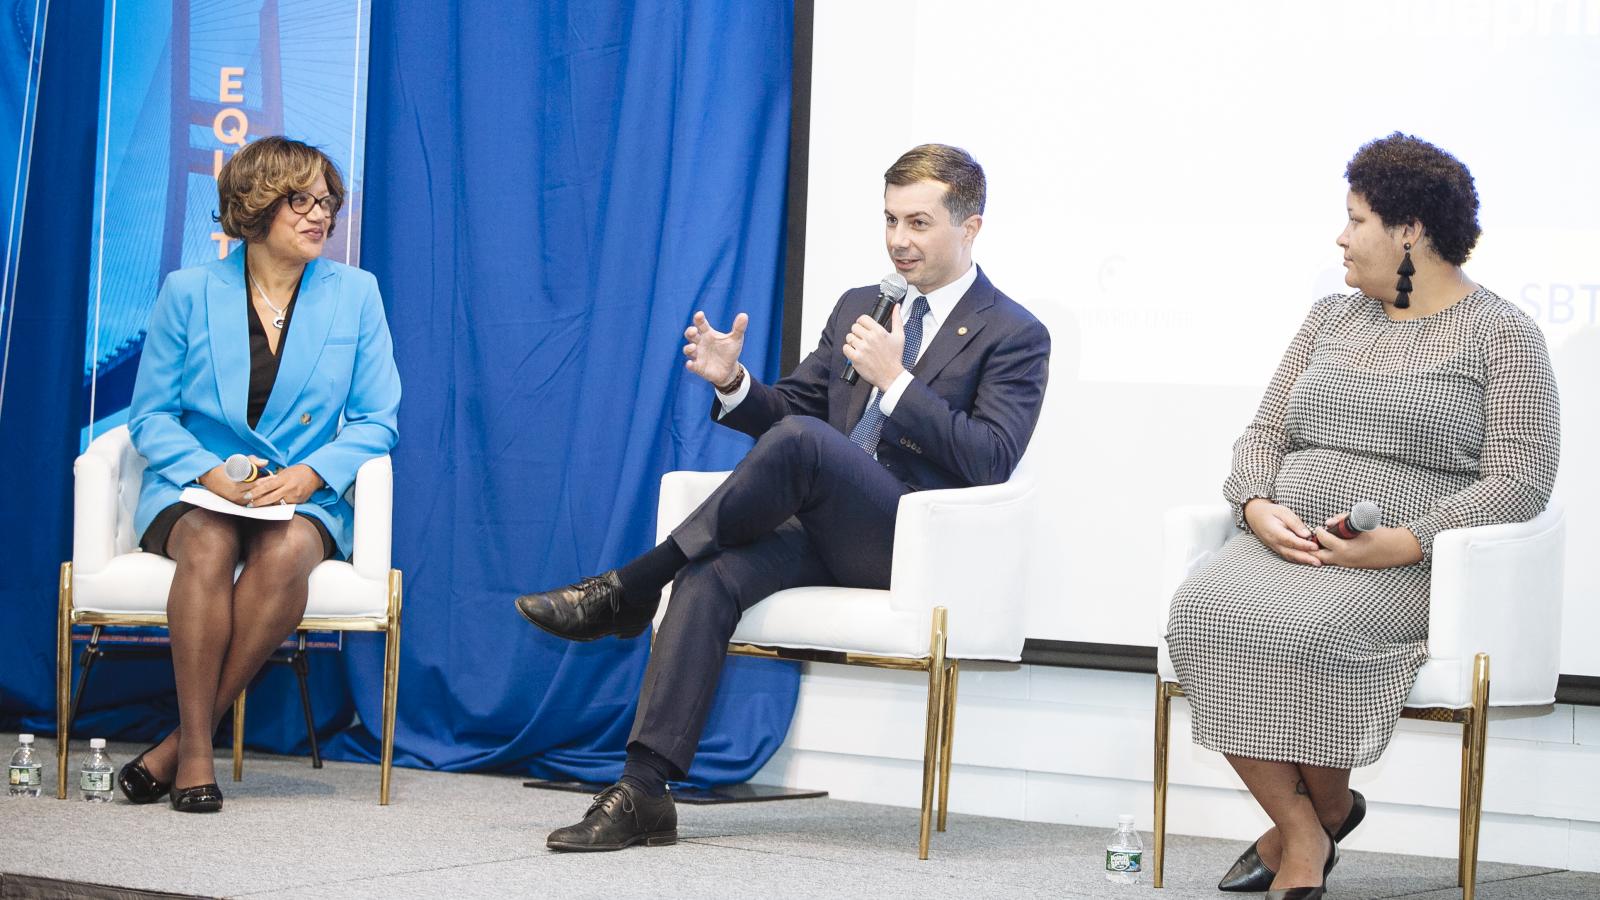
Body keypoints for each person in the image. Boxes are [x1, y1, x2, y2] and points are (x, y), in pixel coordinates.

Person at [515, 144, 1050, 851]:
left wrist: (896, 385)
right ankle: (645, 789)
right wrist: (733, 383)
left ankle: (634, 583)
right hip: (823, 527)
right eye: (889, 220)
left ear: (970, 226)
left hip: (914, 544)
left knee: (804, 444)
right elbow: (790, 412)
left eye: (918, 223)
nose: (898, 240)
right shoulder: (865, 305)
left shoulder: (1014, 333)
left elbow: (991, 459)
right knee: (711, 577)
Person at [1165, 133, 1560, 900]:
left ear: (1410, 228)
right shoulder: (1329, 320)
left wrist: (1408, 541)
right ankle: (1314, 823)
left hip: (1408, 561)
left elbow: (1521, 481)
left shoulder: (1502, 334)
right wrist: (1255, 503)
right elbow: (1263, 434)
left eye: (1356, 221)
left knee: (1311, 632)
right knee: (1201, 610)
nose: (1341, 238)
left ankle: (1303, 842)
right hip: (1287, 541)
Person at [117, 136, 402, 812]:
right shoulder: (188, 292)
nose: (319, 215)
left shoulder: (356, 294)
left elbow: (377, 420)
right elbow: (150, 417)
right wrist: (208, 473)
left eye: (327, 202)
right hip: (198, 490)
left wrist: (310, 475)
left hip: (300, 496)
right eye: (301, 199)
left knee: (287, 553)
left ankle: (181, 742)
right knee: (211, 543)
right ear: (256, 203)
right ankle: (192, 755)